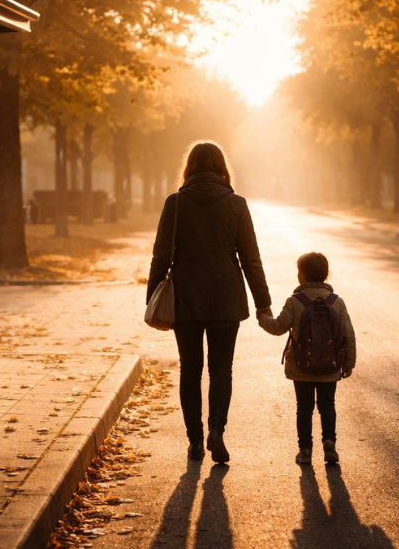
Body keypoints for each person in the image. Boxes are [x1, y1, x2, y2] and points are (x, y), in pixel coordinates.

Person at [147, 141, 272, 464]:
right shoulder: (236, 204)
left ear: (189, 167)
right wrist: (263, 303)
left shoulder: (175, 203)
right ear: (221, 167)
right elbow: (250, 258)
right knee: (221, 369)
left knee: (190, 369)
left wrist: (152, 301)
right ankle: (216, 429)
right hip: (226, 297)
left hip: (185, 297)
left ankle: (194, 441)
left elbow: (160, 256)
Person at [258, 252, 356, 465]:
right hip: (330, 366)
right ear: (326, 275)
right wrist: (349, 363)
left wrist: (262, 316)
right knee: (327, 404)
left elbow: (277, 328)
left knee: (304, 407)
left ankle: (305, 450)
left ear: (301, 276)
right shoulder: (336, 302)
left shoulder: (295, 302)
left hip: (301, 366)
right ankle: (329, 443)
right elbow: (348, 333)